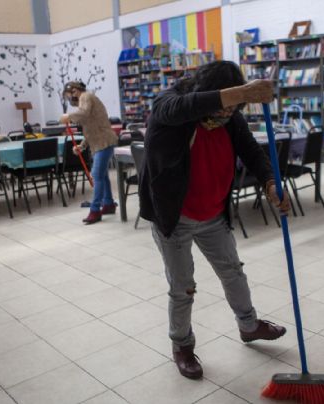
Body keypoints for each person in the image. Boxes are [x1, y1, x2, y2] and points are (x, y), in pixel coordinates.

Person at [138, 61, 291, 380]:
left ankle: (249, 326)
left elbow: (251, 151)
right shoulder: (170, 106)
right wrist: (242, 92)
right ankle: (181, 345)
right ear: (209, 93)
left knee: (233, 272)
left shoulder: (230, 119)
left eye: (233, 110)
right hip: (175, 217)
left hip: (213, 214)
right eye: (224, 107)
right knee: (183, 287)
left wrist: (270, 183)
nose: (225, 117)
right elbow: (180, 107)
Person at [60, 81, 118, 224]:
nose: (70, 99)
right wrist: (82, 145)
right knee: (103, 176)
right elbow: (91, 126)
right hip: (101, 142)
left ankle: (95, 210)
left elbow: (83, 114)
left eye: (69, 95)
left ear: (75, 91)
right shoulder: (85, 99)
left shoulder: (85, 97)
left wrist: (69, 117)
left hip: (103, 142)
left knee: (97, 175)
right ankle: (109, 204)